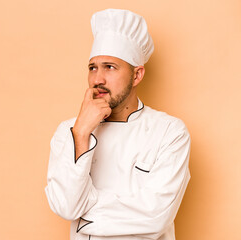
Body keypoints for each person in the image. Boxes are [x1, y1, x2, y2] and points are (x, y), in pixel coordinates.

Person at [45, 9, 190, 240]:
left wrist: (85, 211)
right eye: (93, 67)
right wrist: (82, 132)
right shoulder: (69, 131)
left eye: (109, 67)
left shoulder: (169, 132)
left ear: (137, 75)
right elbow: (65, 207)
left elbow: (157, 216)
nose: (97, 79)